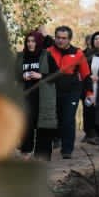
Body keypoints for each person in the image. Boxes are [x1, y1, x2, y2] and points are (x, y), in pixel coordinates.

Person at [45, 25, 91, 159]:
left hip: (72, 90)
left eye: (64, 38)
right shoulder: (48, 52)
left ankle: (67, 149)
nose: (60, 41)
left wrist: (89, 93)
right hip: (53, 90)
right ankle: (57, 138)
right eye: (58, 38)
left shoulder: (77, 53)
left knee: (68, 119)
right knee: (56, 119)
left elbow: (86, 74)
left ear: (69, 39)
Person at [19, 30, 57, 160]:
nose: (30, 44)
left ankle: (42, 155)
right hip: (26, 96)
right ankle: (25, 152)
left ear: (39, 42)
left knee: (43, 125)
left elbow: (57, 75)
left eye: (33, 41)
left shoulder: (46, 55)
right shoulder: (21, 57)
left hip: (43, 97)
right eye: (28, 41)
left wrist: (40, 75)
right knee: (26, 125)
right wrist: (22, 76)